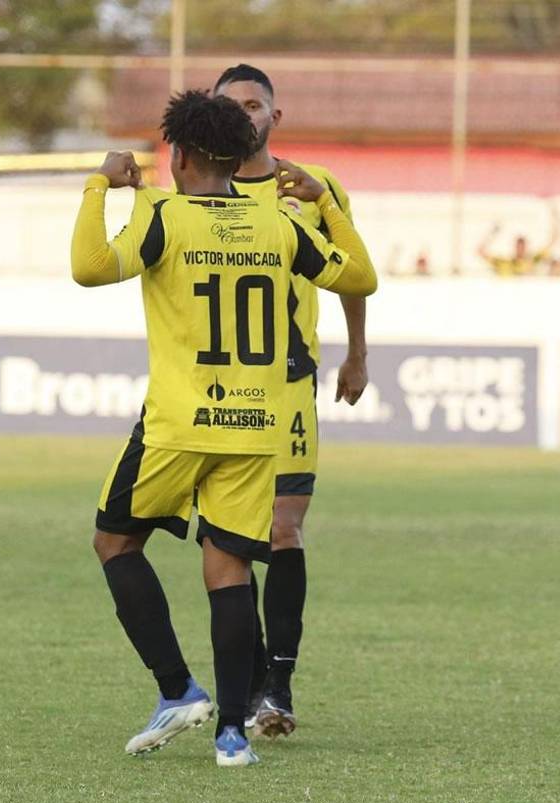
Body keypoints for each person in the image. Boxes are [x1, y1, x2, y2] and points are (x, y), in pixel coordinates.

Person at [71, 91, 376, 767]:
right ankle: (233, 734)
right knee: (229, 568)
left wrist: (100, 185)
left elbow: (89, 268)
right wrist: (323, 203)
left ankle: (177, 688)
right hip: (253, 429)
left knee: (115, 543)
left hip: (178, 425)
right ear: (239, 160)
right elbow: (362, 276)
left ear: (176, 158)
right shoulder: (279, 223)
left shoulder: (161, 214)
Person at [214, 63, 372, 738]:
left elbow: (353, 272)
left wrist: (357, 351)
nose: (244, 114)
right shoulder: (195, 187)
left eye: (254, 105)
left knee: (283, 528)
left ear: (274, 117)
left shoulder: (314, 187)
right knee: (230, 545)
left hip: (288, 384)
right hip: (216, 396)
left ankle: (277, 688)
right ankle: (249, 685)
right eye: (231, 106)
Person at [477, 202, 560, 276]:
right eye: (519, 246)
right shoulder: (505, 263)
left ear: (526, 246)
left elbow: (553, 240)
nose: (521, 249)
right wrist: (492, 233)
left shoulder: (533, 260)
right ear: (515, 246)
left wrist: (554, 215)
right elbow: (481, 251)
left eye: (522, 246)